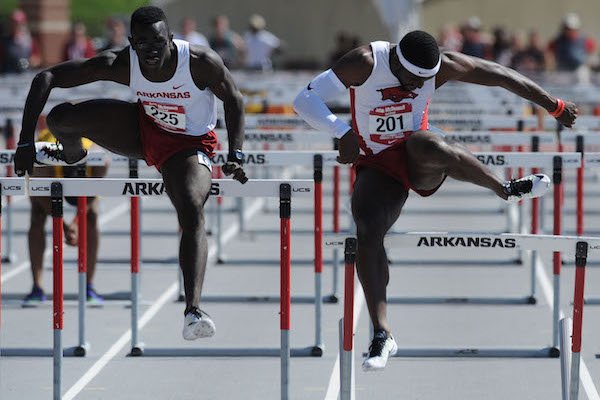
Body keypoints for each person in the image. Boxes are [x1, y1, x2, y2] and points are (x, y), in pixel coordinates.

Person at [293, 30, 578, 371]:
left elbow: (502, 76)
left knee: (430, 144)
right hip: (377, 163)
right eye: (413, 80)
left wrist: (554, 105)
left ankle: (505, 189)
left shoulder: (442, 65)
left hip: (419, 154)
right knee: (367, 232)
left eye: (426, 81)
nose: (418, 87)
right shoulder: (364, 63)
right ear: (397, 62)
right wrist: (343, 132)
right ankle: (382, 333)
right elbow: (305, 100)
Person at [14, 6, 248, 340]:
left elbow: (235, 100)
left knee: (191, 208)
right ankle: (72, 153)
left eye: (158, 41)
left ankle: (193, 310)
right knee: (61, 118)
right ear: (131, 42)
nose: (151, 50)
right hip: (141, 131)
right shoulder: (122, 63)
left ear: (171, 38)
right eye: (142, 43)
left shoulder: (199, 62)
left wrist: (236, 152)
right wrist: (24, 142)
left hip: (188, 145)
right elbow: (46, 78)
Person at [22, 123, 107, 306]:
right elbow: (40, 198)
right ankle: (37, 287)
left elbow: (95, 194)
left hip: (84, 166)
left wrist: (77, 223)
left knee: (91, 216)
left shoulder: (97, 158)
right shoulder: (44, 161)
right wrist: (64, 226)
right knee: (37, 216)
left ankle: (88, 286)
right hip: (42, 168)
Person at [0, 9, 41, 73]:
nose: (16, 26)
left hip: (26, 75)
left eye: (18, 23)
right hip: (9, 75)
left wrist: (32, 61)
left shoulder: (30, 41)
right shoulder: (4, 41)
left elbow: (37, 59)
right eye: (13, 23)